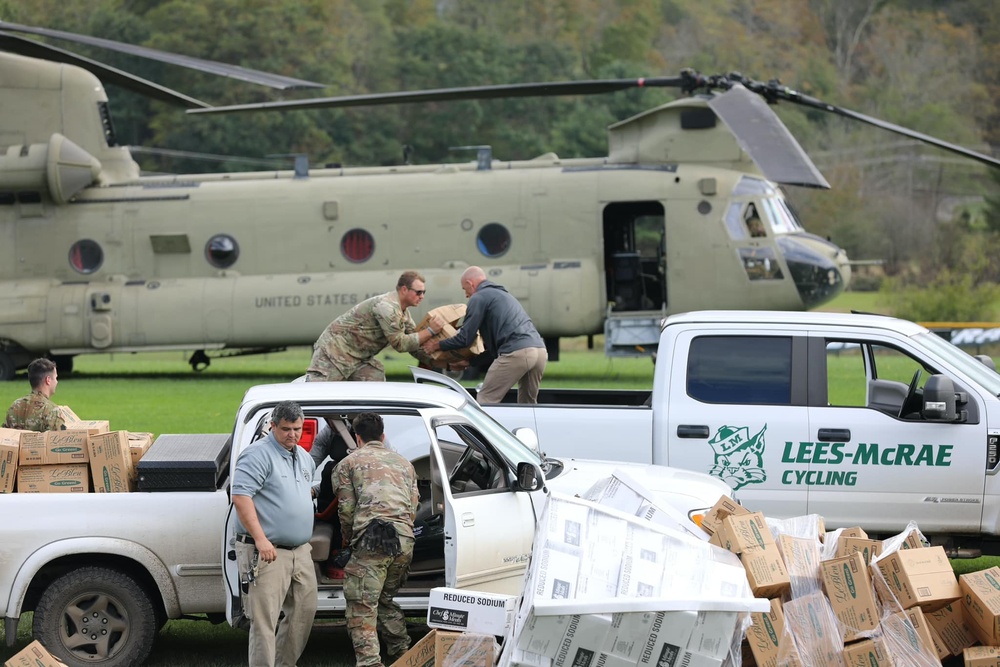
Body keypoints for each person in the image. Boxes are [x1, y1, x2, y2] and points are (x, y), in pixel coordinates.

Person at [231, 401, 318, 667]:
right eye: (286, 429)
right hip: (267, 552)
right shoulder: (257, 454)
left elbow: (304, 488)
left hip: (300, 551)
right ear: (272, 426)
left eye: (297, 429)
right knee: (264, 621)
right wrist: (260, 539)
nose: (292, 434)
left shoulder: (303, 456)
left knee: (304, 613)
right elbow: (241, 496)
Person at [335, 412, 419, 667]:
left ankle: (370, 662)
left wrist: (348, 541)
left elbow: (346, 510)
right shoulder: (404, 463)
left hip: (372, 542)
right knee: (383, 599)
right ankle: (404, 653)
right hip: (403, 542)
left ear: (357, 437)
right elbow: (413, 504)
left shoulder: (348, 464)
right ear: (383, 436)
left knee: (362, 605)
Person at [422, 266, 547, 404]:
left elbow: (465, 338)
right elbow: (495, 349)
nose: (466, 295)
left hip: (517, 352)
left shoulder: (479, 297)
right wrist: (470, 362)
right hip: (540, 351)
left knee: (486, 399)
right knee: (528, 404)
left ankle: (482, 427)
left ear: (470, 284)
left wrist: (436, 345)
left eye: (465, 289)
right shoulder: (503, 295)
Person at [305, 271, 447, 382]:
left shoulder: (403, 313)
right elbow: (400, 344)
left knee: (374, 384)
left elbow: (415, 345)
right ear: (404, 290)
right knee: (315, 398)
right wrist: (430, 330)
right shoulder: (387, 307)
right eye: (418, 292)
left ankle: (361, 420)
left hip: (358, 358)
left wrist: (446, 363)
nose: (422, 296)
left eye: (424, 292)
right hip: (334, 354)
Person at [4, 358, 66, 432]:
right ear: (48, 380)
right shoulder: (53, 411)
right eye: (56, 378)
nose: (57, 382)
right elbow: (59, 441)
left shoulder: (15, 406)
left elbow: (5, 437)